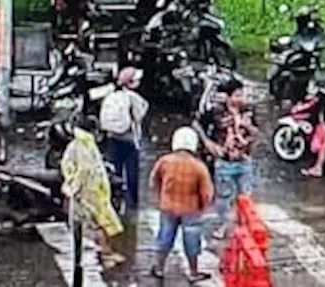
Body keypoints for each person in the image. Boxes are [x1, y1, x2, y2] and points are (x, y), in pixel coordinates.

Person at [194, 78, 257, 240]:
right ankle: (223, 224)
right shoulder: (216, 111)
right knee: (223, 197)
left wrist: (248, 130)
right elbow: (197, 124)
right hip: (224, 161)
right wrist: (208, 143)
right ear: (228, 97)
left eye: (242, 95)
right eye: (237, 95)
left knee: (245, 195)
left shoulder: (248, 111)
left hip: (244, 159)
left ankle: (243, 224)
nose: (241, 98)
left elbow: (256, 130)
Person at [150, 126, 215, 281]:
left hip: (168, 207)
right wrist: (203, 207)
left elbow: (154, 180)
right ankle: (193, 272)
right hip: (191, 209)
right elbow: (207, 193)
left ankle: (159, 268)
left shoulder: (164, 161)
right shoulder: (199, 166)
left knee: (165, 237)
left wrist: (160, 198)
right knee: (192, 240)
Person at [59, 123, 126, 268]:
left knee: (100, 224)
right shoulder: (84, 145)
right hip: (89, 193)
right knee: (98, 225)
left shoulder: (81, 144)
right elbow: (83, 170)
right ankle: (105, 254)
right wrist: (74, 188)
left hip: (93, 192)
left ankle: (105, 252)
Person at [99, 67, 150, 211]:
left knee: (115, 172)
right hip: (130, 141)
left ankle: (114, 202)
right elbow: (139, 117)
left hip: (113, 139)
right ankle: (132, 205)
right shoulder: (133, 98)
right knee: (132, 174)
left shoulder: (112, 95)